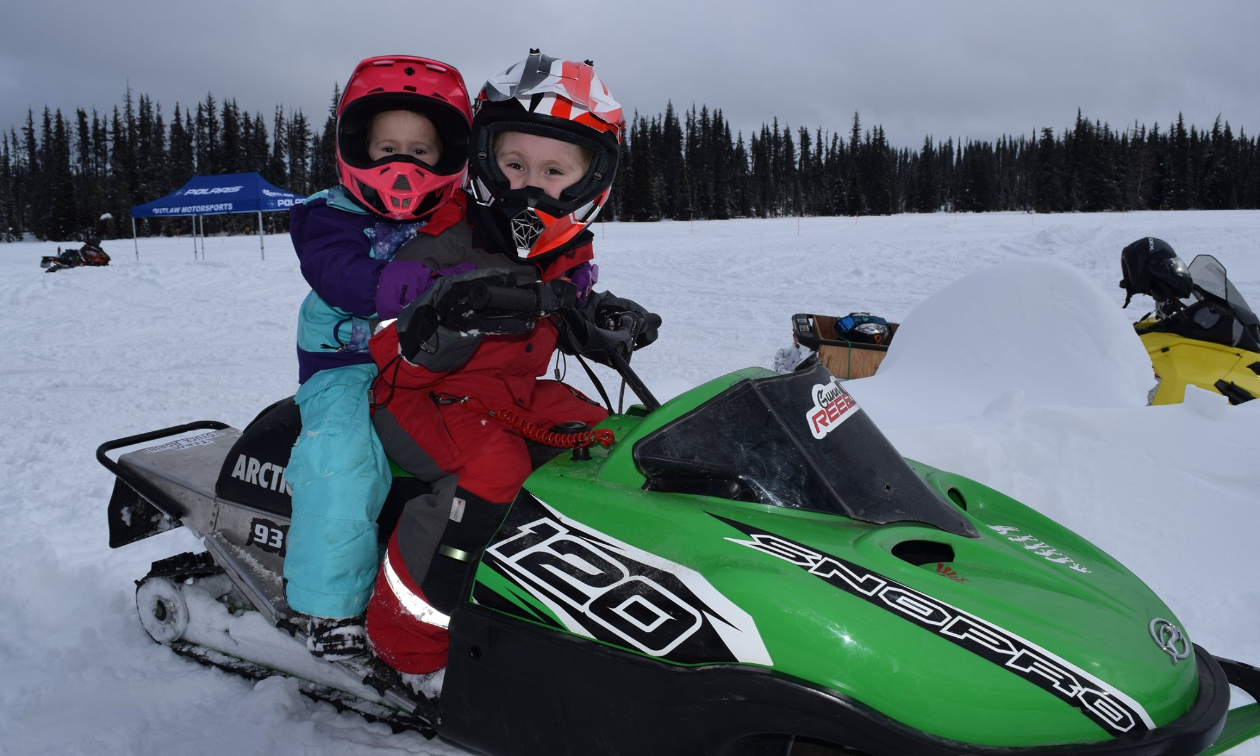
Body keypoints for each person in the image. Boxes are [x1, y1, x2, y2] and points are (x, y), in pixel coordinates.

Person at [362, 51, 659, 683]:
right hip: (416, 397)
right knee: (492, 468)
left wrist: (601, 324)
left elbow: (564, 309)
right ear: (484, 161)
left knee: (611, 435)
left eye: (554, 170)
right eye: (514, 163)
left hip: (508, 394)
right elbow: (388, 342)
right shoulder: (444, 238)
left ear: (588, 181)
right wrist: (448, 312)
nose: (530, 183)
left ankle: (578, 600)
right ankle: (410, 639)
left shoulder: (565, 252)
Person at [285, 55, 473, 659]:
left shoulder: (456, 217)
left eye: (419, 152)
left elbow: (499, 261)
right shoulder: (327, 215)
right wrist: (400, 284)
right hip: (344, 368)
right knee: (343, 462)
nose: (400, 165)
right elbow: (335, 272)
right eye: (386, 147)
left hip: (426, 365)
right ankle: (328, 607)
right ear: (356, 147)